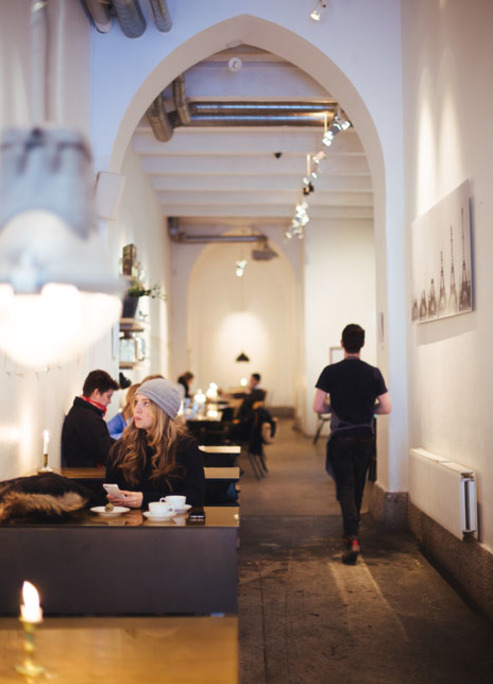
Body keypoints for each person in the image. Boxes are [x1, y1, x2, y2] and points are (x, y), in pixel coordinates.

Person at [313, 324, 391, 565]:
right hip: (365, 437)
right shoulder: (373, 373)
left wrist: (333, 407)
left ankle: (352, 538)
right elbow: (386, 407)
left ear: (342, 344)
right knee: (358, 487)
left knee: (345, 488)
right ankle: (352, 533)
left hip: (341, 438)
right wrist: (368, 410)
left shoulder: (330, 372)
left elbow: (317, 406)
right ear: (363, 344)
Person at [105, 377, 205, 509]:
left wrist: (146, 500)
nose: (137, 409)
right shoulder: (122, 447)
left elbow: (196, 496)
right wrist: (114, 497)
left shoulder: (185, 447)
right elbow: (111, 488)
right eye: (136, 402)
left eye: (146, 403)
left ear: (163, 410)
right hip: (128, 520)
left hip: (171, 520)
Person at [61, 370, 120, 468]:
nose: (110, 401)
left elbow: (104, 442)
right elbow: (106, 453)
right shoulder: (89, 419)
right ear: (96, 393)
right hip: (87, 474)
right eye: (108, 396)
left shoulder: (82, 412)